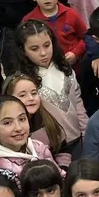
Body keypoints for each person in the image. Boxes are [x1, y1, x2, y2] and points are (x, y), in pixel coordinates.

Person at [15, 20, 88, 159]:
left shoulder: (65, 69)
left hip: (78, 140)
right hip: (50, 148)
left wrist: (86, 133)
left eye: (47, 45)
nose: (43, 53)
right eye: (34, 49)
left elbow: (78, 104)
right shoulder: (23, 81)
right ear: (23, 51)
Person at [22, 0, 88, 66]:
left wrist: (75, 53)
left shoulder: (71, 14)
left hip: (76, 69)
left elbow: (86, 37)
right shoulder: (29, 21)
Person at [4, 72, 70, 167]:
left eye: (34, 93)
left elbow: (62, 151)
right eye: (22, 95)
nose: (31, 98)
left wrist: (63, 169)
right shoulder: (5, 128)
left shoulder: (48, 122)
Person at [0, 95, 58, 175]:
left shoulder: (38, 148)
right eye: (7, 123)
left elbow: (61, 177)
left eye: (22, 119)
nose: (18, 128)